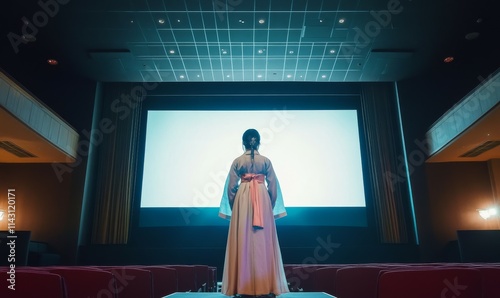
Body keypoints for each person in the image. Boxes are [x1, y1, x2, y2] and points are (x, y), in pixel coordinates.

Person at [219, 128, 289, 297]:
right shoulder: (266, 161)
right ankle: (266, 285)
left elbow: (230, 188)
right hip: (261, 196)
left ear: (243, 142)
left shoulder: (237, 161)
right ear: (258, 142)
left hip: (242, 198)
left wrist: (235, 206)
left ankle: (241, 286)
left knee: (243, 239)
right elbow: (273, 187)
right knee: (262, 240)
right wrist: (268, 206)